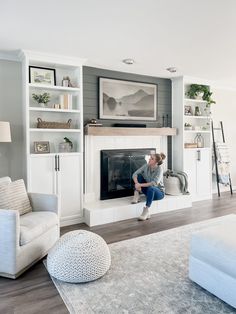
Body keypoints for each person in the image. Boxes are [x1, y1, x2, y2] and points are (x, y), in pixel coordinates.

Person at [132, 153, 166, 221]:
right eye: (150, 157)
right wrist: (137, 184)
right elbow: (135, 174)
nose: (149, 159)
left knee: (151, 188)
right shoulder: (146, 166)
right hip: (148, 191)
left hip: (158, 193)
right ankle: (137, 193)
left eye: (152, 158)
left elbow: (154, 183)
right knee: (139, 176)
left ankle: (146, 210)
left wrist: (140, 185)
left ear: (156, 162)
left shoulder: (159, 169)